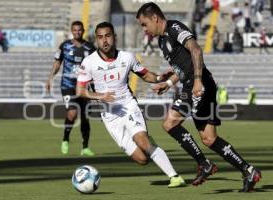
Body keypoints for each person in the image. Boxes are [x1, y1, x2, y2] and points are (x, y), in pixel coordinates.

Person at [136, 2, 261, 192]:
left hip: (199, 85)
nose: (144, 29)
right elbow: (182, 67)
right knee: (209, 139)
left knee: (170, 123)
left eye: (144, 24)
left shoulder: (175, 28)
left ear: (155, 18)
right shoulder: (162, 41)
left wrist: (196, 81)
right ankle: (248, 170)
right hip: (201, 84)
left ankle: (204, 164)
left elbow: (196, 50)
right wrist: (168, 83)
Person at [76, 22, 186, 188]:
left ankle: (175, 177)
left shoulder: (127, 58)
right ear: (96, 40)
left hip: (128, 106)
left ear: (114, 37)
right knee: (142, 159)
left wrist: (159, 78)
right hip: (110, 118)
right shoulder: (89, 62)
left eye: (107, 36)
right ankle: (150, 145)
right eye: (100, 37)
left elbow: (145, 75)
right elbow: (80, 91)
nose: (104, 41)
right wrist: (99, 96)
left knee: (142, 141)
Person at [46, 21, 96, 156]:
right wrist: (50, 78)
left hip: (84, 86)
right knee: (72, 113)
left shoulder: (90, 48)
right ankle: (65, 139)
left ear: (83, 31)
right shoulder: (64, 46)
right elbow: (57, 63)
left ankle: (85, 147)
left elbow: (96, 67)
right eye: (75, 30)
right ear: (71, 31)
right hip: (67, 85)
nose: (77, 32)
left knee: (85, 117)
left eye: (80, 30)